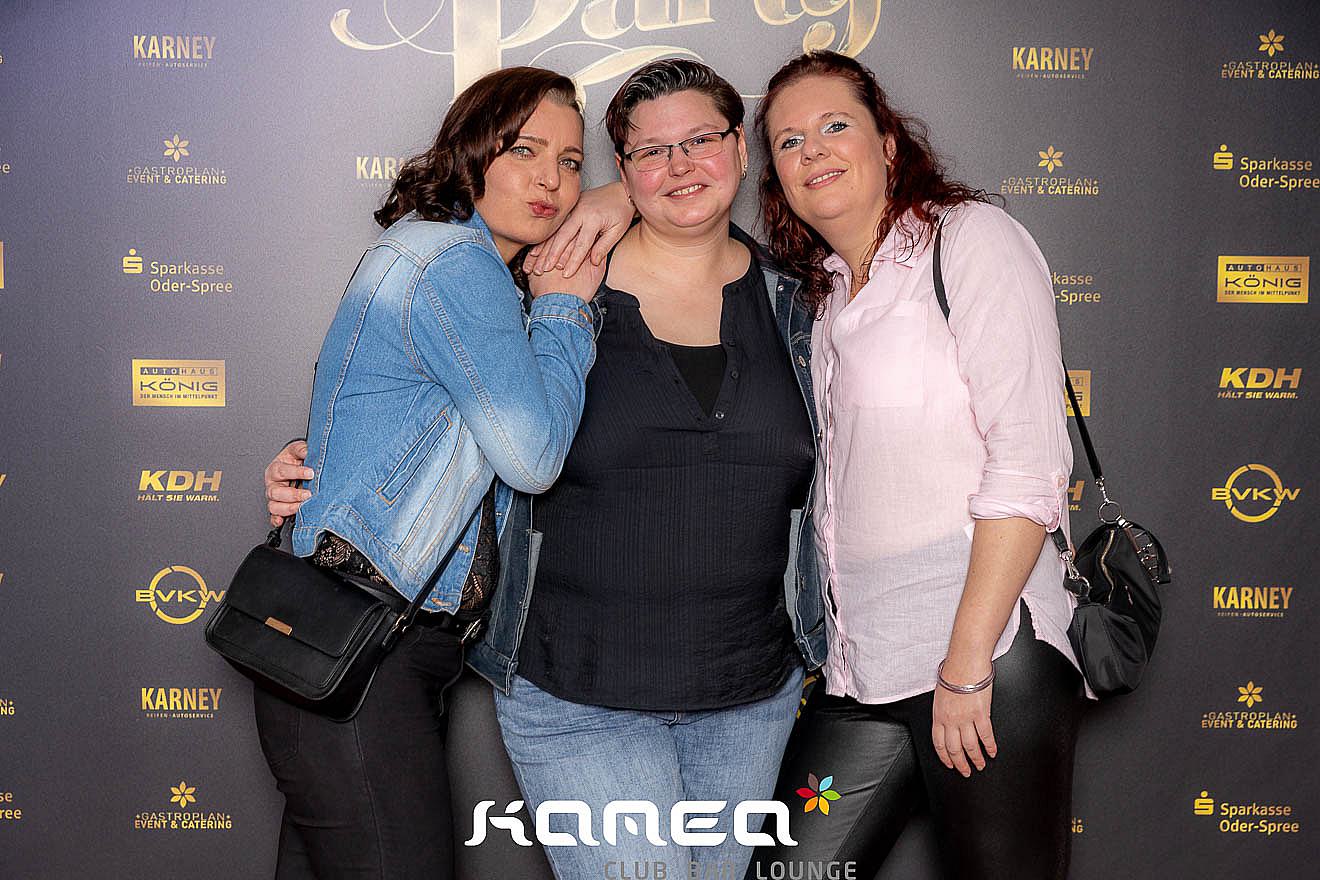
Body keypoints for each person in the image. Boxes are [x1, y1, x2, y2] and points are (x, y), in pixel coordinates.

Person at [267, 59, 826, 880]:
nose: (679, 166)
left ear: (741, 149)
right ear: (626, 169)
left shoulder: (802, 303)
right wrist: (319, 471)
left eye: (701, 141)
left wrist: (334, 468)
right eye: (649, 152)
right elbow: (502, 437)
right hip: (569, 686)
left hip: (751, 692)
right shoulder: (540, 289)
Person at [254, 66, 604, 880]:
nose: (551, 181)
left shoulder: (442, 256)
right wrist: (564, 308)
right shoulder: (453, 262)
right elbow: (532, 458)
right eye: (524, 151)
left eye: (570, 161)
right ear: (471, 152)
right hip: (366, 648)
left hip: (353, 643)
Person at [751, 51, 1088, 880]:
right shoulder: (825, 294)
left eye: (835, 125)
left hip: (984, 658)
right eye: (789, 141)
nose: (812, 149)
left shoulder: (971, 240)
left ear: (889, 143)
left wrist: (968, 663)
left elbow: (1029, 463)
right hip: (862, 670)